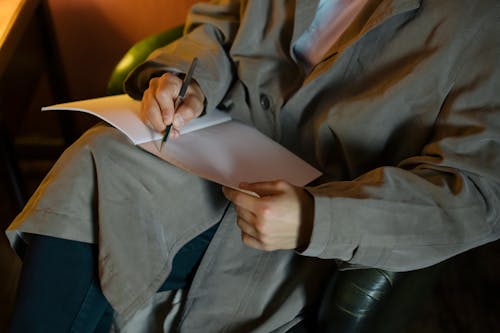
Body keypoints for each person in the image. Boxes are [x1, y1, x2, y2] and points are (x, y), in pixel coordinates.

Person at [6, 0, 500, 331]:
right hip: (212, 139)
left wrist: (315, 219)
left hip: (320, 206)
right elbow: (215, 25)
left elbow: (477, 193)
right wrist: (183, 78)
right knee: (94, 162)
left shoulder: (482, 22)